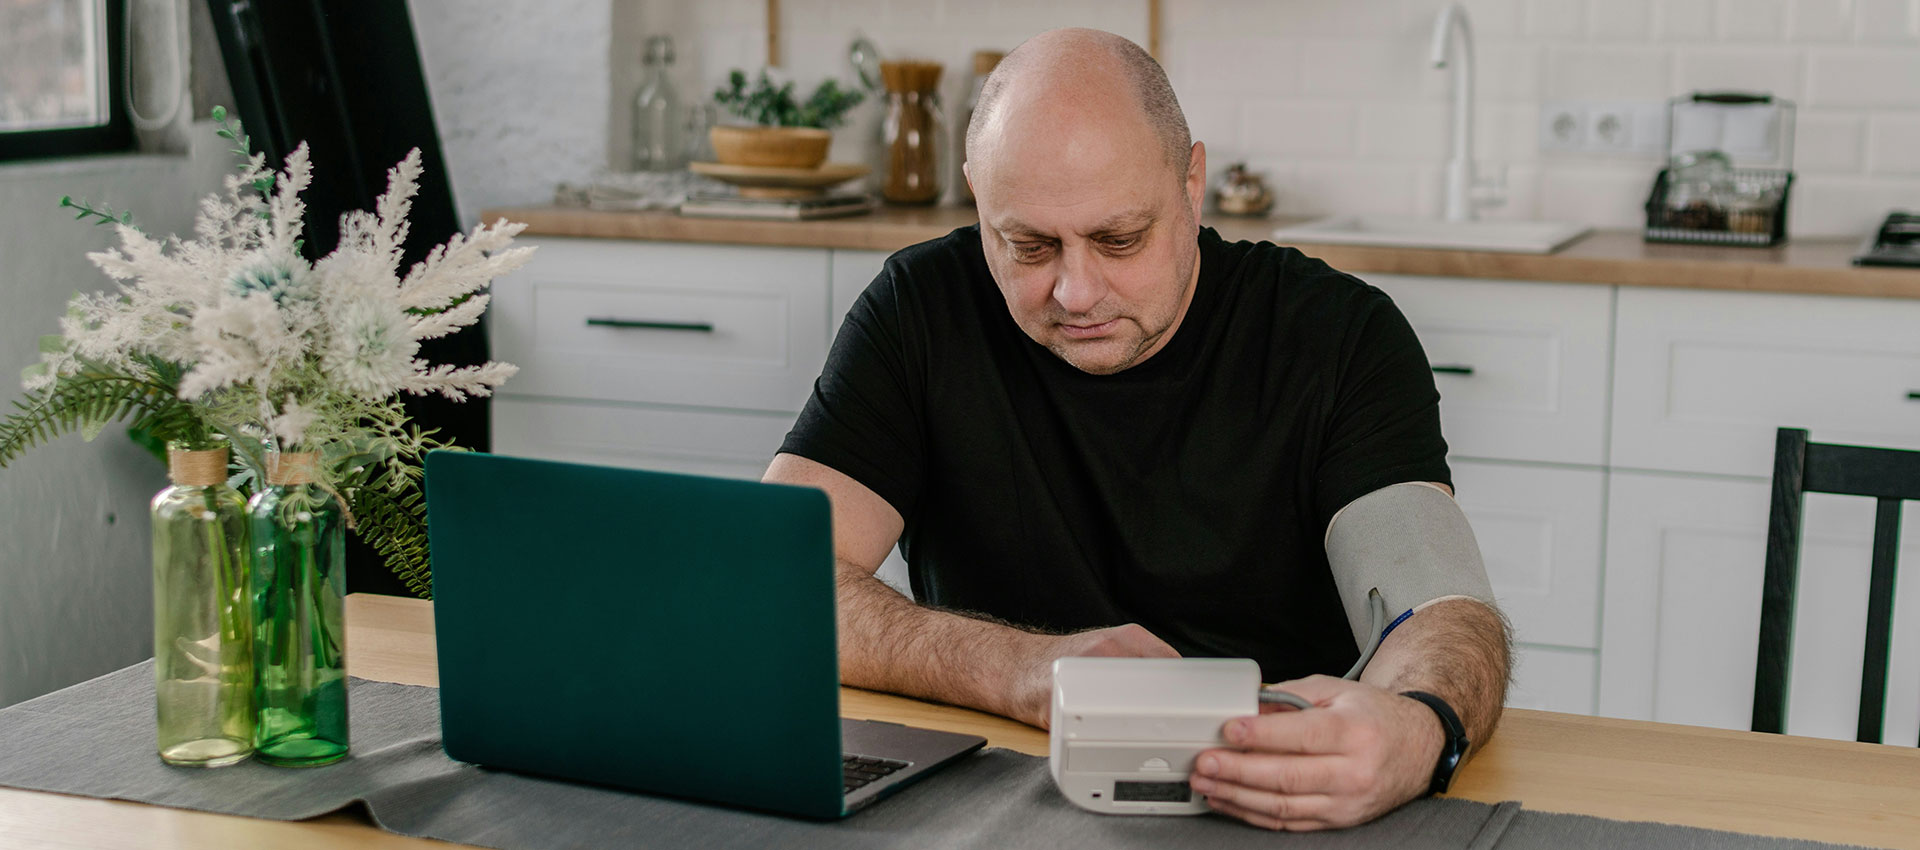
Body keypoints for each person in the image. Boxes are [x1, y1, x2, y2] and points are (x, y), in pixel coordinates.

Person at [763, 27, 1510, 830]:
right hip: (1002, 785)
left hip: (1275, 803)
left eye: (1119, 240)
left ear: (1191, 183)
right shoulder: (919, 310)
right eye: (1029, 244)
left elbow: (1442, 612)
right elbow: (771, 586)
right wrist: (1024, 670)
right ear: (979, 196)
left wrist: (1420, 728)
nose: (1075, 292)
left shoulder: (1337, 336)